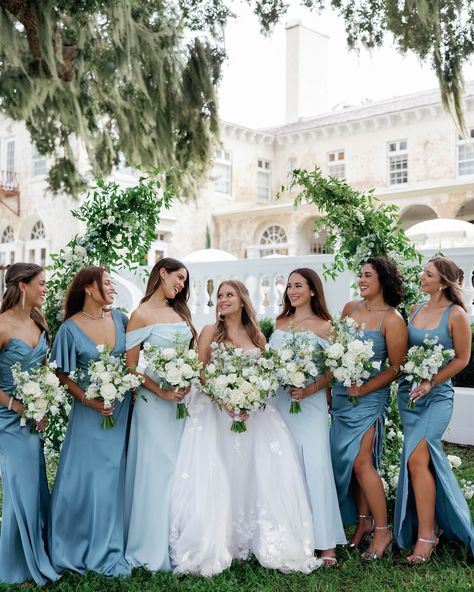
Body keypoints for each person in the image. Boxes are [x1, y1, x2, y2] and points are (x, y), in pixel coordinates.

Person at [170, 280, 320, 576]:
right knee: (221, 473)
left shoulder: (257, 335)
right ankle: (221, 538)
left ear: (242, 300)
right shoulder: (210, 332)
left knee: (253, 472)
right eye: (219, 296)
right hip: (216, 413)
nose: (223, 300)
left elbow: (267, 374)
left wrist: (252, 399)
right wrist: (224, 399)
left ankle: (256, 537)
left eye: (229, 295)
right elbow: (200, 372)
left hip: (253, 416)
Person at [49, 267, 131, 576]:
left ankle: (112, 541)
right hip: (88, 414)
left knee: (114, 477)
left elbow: (134, 359)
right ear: (88, 288)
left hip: (121, 412)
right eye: (106, 282)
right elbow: (60, 374)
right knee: (87, 476)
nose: (112, 287)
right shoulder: (70, 329)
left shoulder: (121, 319)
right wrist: (87, 399)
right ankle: (73, 542)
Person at [394, 257, 474, 562]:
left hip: (437, 395)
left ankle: (426, 537)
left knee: (416, 459)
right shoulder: (416, 310)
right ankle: (431, 526)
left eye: (428, 274)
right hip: (409, 396)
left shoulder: (456, 315)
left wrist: (431, 380)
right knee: (419, 462)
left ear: (443, 283)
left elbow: (462, 359)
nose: (421, 277)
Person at [330, 257, 407, 560]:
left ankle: (383, 531)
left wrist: (363, 388)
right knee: (348, 463)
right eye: (360, 275)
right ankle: (362, 524)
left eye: (367, 276)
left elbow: (396, 368)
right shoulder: (350, 309)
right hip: (340, 395)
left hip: (368, 399)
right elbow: (334, 353)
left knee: (363, 463)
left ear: (383, 280)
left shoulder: (392, 319)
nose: (361, 280)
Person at [269, 268, 346, 565]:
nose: (292, 291)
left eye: (298, 285)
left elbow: (334, 370)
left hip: (310, 404)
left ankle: (326, 544)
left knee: (316, 466)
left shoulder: (326, 327)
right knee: (284, 466)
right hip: (280, 402)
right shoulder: (279, 323)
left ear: (313, 290)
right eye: (289, 286)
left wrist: (310, 387)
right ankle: (292, 535)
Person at [124, 258, 197, 571]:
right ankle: (150, 546)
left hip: (181, 402)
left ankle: (179, 541)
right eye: (178, 278)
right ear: (162, 273)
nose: (181, 285)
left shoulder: (179, 312)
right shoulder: (140, 315)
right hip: (154, 404)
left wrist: (186, 381)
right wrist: (163, 391)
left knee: (180, 468)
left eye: (184, 282)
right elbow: (130, 369)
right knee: (157, 468)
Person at [0, 263, 60, 586]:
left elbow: (43, 369)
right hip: (8, 419)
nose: (45, 289)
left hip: (34, 416)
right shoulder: (1, 326)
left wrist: (44, 402)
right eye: (41, 284)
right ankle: (15, 565)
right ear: (22, 286)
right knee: (21, 489)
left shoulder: (39, 320)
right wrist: (18, 405)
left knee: (34, 487)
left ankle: (38, 551)